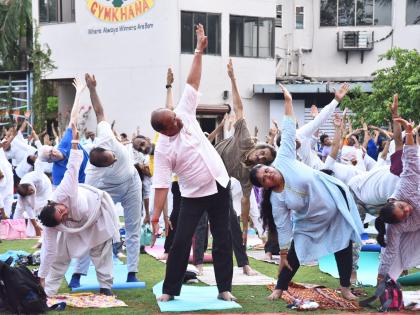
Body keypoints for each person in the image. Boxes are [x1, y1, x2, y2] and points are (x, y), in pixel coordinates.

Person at [249, 84, 363, 301]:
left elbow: (290, 124)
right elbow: (283, 227)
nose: (268, 175)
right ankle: (280, 288)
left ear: (270, 165)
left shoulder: (284, 158)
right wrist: (282, 254)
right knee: (295, 252)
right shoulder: (276, 199)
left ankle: (345, 288)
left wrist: (292, 102)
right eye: (264, 179)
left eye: (266, 170)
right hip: (309, 222)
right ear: (264, 186)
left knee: (344, 244)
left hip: (333, 206)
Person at [150, 24, 235, 302]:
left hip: (219, 183)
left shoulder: (183, 113)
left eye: (175, 115)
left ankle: (224, 288)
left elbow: (192, 82)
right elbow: (161, 185)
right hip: (193, 196)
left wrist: (198, 49)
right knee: (180, 242)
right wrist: (154, 216)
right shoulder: (163, 149)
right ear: (164, 129)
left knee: (223, 239)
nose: (178, 118)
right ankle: (169, 290)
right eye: (172, 120)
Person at [38, 124, 120, 297]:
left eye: (61, 211)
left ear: (55, 203)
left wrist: (75, 142)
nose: (64, 213)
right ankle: (48, 291)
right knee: (59, 255)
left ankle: (106, 287)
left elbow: (73, 166)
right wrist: (41, 276)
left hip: (96, 214)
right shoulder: (51, 225)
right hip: (71, 227)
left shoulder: (63, 190)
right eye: (61, 217)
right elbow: (49, 250)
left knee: (101, 251)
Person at [80, 73, 142, 283]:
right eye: (110, 161)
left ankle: (132, 272)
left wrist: (92, 89)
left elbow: (99, 111)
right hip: (109, 190)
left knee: (134, 226)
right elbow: (86, 206)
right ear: (101, 166)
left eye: (113, 156)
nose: (115, 158)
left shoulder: (105, 136)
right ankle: (79, 272)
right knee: (93, 228)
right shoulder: (93, 177)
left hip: (133, 181)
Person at [375, 117, 419, 282]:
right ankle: (386, 284)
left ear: (394, 201)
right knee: (397, 255)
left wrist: (409, 133)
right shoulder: (393, 228)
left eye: (402, 207)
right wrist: (381, 275)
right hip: (415, 232)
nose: (408, 210)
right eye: (404, 215)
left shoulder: (404, 187)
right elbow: (389, 251)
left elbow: (410, 159)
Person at [39, 78, 89, 186]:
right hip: (84, 189)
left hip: (94, 169)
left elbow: (73, 118)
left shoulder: (65, 142)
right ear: (49, 162)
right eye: (50, 155)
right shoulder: (57, 173)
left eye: (52, 150)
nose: (54, 153)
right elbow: (58, 193)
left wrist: (78, 93)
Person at [14, 169, 52, 236]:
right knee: (21, 208)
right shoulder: (22, 195)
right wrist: (35, 225)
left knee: (42, 208)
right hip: (34, 189)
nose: (32, 192)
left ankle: (45, 231)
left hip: (45, 188)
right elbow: (29, 210)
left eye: (31, 190)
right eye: (29, 193)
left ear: (29, 185)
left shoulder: (38, 179)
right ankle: (16, 230)